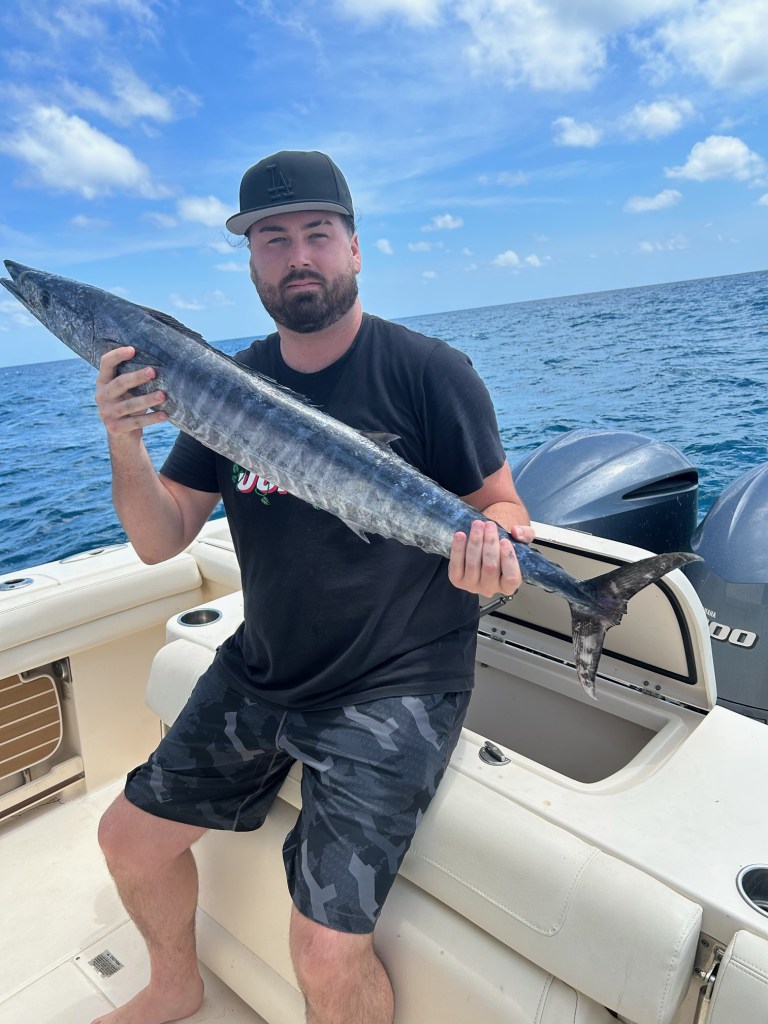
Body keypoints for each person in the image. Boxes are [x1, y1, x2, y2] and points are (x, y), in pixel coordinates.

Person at [92, 150, 533, 1024]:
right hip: (265, 668)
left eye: (317, 234)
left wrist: (502, 548)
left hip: (397, 679)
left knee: (325, 952)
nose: (298, 256)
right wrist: (124, 440)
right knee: (127, 841)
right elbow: (159, 539)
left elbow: (503, 505)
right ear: (252, 262)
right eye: (273, 239)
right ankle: (175, 986)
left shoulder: (428, 371)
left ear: (355, 248)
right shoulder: (225, 388)